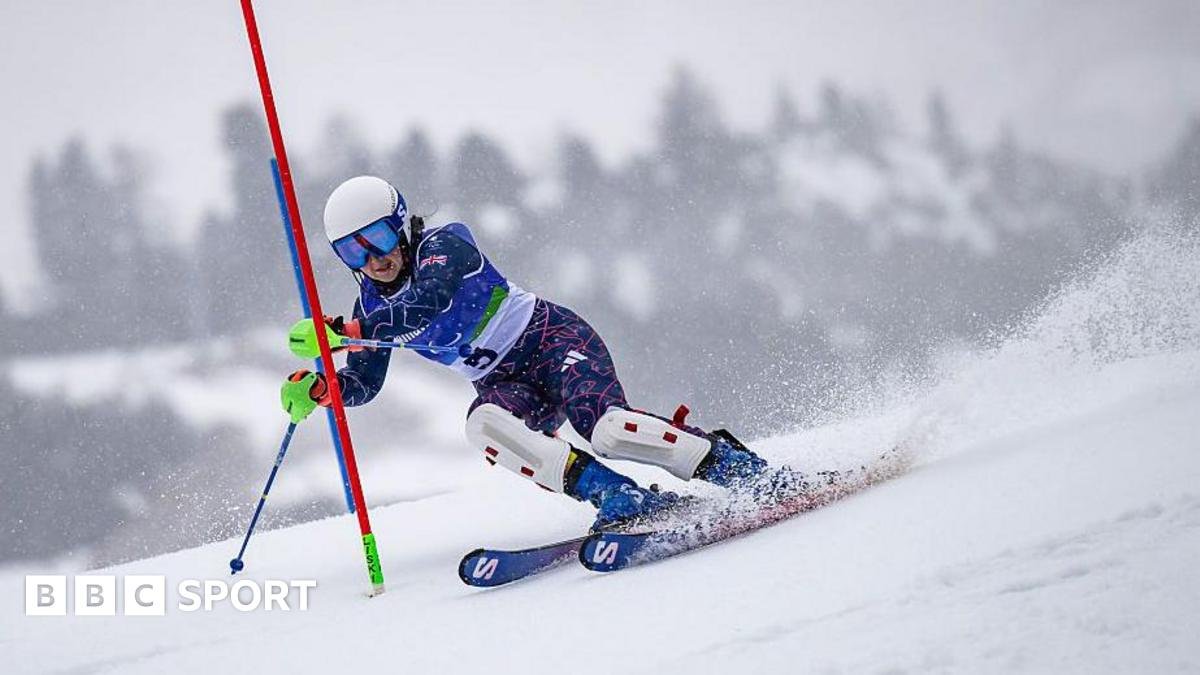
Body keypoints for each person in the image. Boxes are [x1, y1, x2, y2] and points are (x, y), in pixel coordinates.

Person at [281, 175, 791, 530]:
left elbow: (429, 301)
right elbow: (364, 384)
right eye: (352, 250)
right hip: (505, 384)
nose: (372, 258)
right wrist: (324, 389)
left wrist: (345, 331)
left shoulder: (444, 244)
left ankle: (734, 468)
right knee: (485, 427)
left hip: (551, 342)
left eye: (375, 238)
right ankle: (618, 495)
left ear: (398, 224)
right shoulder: (370, 308)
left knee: (608, 431)